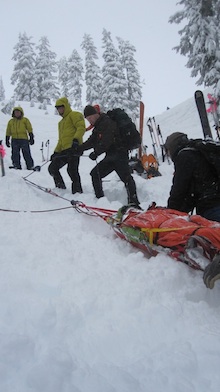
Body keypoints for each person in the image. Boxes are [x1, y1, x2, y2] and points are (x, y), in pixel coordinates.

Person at [74, 105, 140, 205]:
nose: (89, 121)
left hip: (120, 155)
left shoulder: (107, 122)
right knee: (96, 174)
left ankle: (134, 202)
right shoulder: (99, 126)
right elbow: (92, 141)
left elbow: (107, 141)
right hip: (111, 157)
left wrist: (96, 153)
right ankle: (100, 201)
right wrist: (79, 149)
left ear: (95, 114)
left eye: (90, 118)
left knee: (126, 178)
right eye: (88, 119)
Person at [164, 132, 220, 222]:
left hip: (211, 207)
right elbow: (192, 191)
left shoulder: (184, 156)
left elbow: (179, 189)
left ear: (172, 147)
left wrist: (170, 214)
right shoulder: (199, 150)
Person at [48, 97, 86, 193]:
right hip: (65, 150)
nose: (59, 110)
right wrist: (56, 152)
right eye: (58, 108)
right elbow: (61, 140)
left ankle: (77, 192)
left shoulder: (74, 115)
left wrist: (76, 140)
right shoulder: (61, 123)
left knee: (72, 170)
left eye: (61, 107)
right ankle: (60, 189)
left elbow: (81, 127)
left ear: (65, 106)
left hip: (74, 148)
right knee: (52, 168)